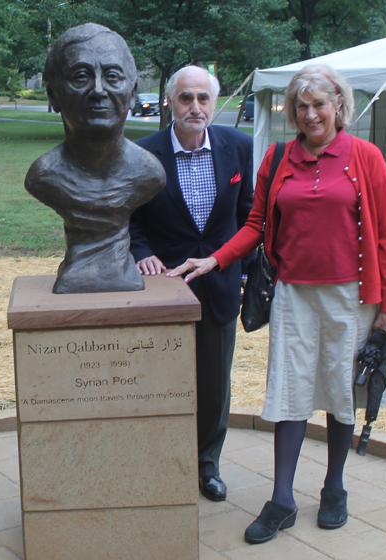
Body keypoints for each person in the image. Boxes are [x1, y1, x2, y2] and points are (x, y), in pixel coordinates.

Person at [169, 64, 386, 542]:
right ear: (292, 111)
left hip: (352, 297)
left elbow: (385, 238)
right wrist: (215, 260)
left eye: (320, 103)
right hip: (293, 295)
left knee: (341, 393)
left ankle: (334, 488)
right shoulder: (278, 158)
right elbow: (256, 225)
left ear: (339, 105)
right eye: (302, 105)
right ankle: (281, 499)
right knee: (290, 393)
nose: (311, 113)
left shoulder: (366, 157)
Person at [129, 65, 254, 501]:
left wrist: (238, 265)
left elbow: (249, 216)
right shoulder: (142, 154)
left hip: (219, 285)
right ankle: (159, 458)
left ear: (214, 102)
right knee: (160, 376)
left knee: (215, 384)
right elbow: (131, 217)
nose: (195, 107)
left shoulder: (239, 146)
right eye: (186, 98)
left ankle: (206, 465)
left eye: (203, 98)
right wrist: (142, 252)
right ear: (169, 101)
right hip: (163, 286)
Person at [25, 23, 165, 294]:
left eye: (113, 77)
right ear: (54, 95)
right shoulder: (43, 176)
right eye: (81, 77)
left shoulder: (150, 173)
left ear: (132, 92)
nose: (99, 90)